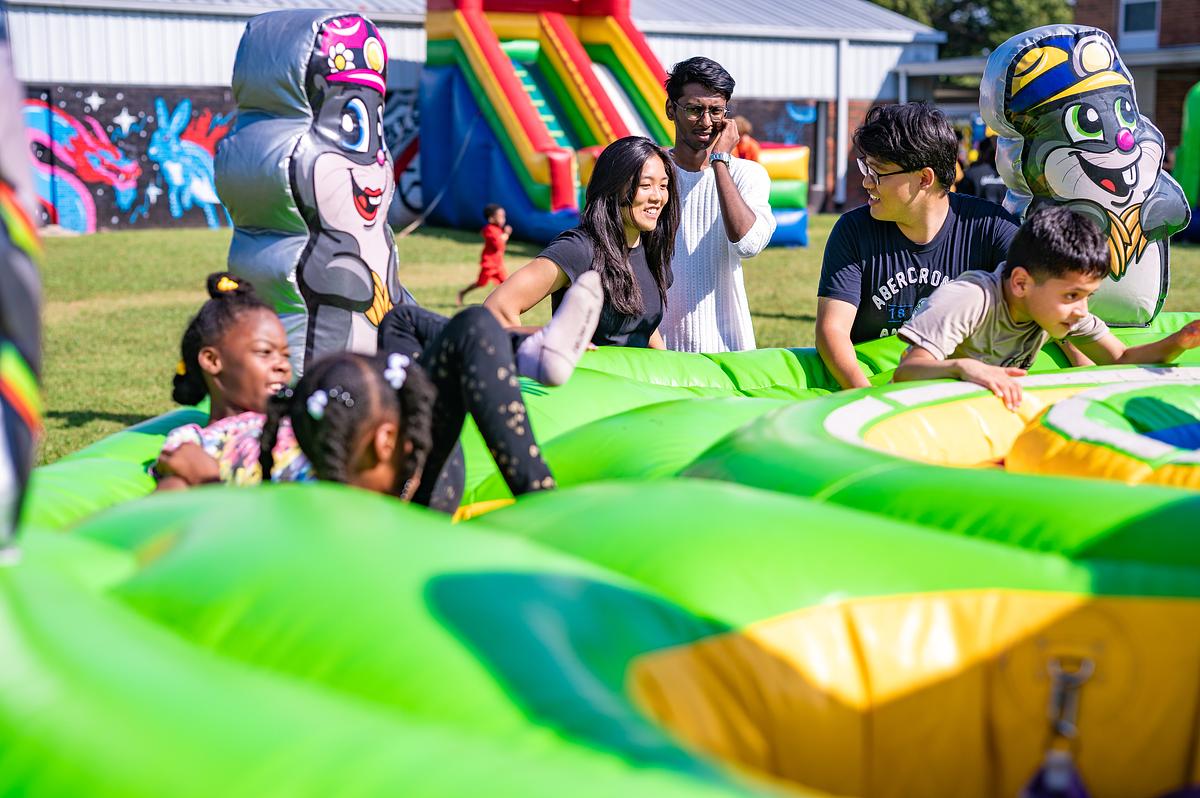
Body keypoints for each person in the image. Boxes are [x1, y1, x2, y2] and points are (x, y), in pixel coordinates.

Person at [894, 206, 1200, 410]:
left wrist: (1180, 341)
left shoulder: (1056, 309)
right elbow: (905, 373)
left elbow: (1120, 358)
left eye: (1087, 296)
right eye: (1072, 296)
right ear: (1021, 284)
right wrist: (964, 368)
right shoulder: (970, 299)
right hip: (926, 416)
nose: (1081, 310)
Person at [816, 102, 1020, 389]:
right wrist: (866, 398)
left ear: (924, 178)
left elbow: (1048, 300)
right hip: (873, 386)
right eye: (865, 167)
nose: (866, 182)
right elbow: (832, 329)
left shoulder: (990, 227)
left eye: (877, 173)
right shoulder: (852, 230)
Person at [485, 136, 679, 349]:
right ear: (613, 187)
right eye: (645, 185)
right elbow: (499, 308)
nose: (658, 197)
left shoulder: (653, 252)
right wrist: (549, 338)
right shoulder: (579, 249)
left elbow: (643, 329)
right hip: (583, 380)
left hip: (636, 381)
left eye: (663, 186)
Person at [659, 57, 774, 353]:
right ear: (672, 110)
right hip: (655, 349)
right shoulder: (651, 173)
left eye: (716, 111)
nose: (707, 122)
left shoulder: (748, 174)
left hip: (727, 349)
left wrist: (720, 161)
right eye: (695, 109)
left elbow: (748, 245)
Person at [153, 273, 308, 490]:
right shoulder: (193, 444)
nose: (283, 365)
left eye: (285, 355)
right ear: (212, 360)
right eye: (265, 352)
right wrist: (208, 482)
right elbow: (163, 511)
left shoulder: (301, 420)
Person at [457, 203, 512, 306]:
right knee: (481, 283)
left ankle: (502, 303)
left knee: (505, 283)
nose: (503, 219)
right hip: (489, 263)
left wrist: (504, 234)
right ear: (491, 218)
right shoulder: (489, 229)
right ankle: (462, 292)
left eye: (504, 216)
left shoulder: (498, 229)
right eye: (500, 217)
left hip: (498, 263)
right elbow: (499, 245)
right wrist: (506, 235)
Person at [958, 136, 1008, 206]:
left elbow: (960, 202)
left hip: (977, 215)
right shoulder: (1012, 174)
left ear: (982, 152)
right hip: (1006, 216)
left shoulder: (971, 173)